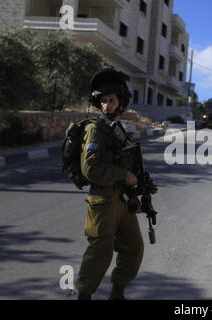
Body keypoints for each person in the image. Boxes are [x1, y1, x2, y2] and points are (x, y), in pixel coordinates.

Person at [76, 68, 144, 300]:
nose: (106, 105)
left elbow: (129, 166)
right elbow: (90, 168)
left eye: (111, 100)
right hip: (103, 201)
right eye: (103, 101)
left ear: (121, 101)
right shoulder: (95, 130)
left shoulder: (118, 130)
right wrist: (122, 175)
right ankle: (84, 296)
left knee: (133, 247)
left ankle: (117, 293)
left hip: (122, 201)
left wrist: (134, 195)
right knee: (100, 253)